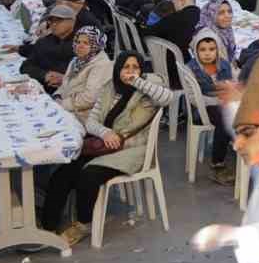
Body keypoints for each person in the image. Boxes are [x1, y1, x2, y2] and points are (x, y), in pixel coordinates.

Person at [42, 49, 174, 246]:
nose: (130, 71)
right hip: (105, 144)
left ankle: (83, 224)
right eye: (125, 67)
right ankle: (47, 227)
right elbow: (91, 122)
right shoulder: (110, 87)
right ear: (117, 69)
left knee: (89, 175)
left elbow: (168, 98)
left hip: (131, 150)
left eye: (135, 67)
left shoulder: (149, 88)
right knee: (63, 173)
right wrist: (105, 133)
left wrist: (137, 82)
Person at [186, 28, 237, 183]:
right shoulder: (191, 68)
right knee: (225, 121)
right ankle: (217, 164)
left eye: (211, 49)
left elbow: (233, 81)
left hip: (224, 102)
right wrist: (217, 101)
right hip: (203, 107)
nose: (207, 53)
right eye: (202, 50)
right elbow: (193, 98)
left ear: (217, 50)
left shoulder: (224, 64)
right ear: (196, 51)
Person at [55, 26, 113, 128]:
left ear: (96, 45)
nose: (80, 46)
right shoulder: (76, 61)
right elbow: (65, 85)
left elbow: (89, 98)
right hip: (67, 108)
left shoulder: (102, 64)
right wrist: (57, 96)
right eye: (78, 42)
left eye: (86, 43)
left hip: (84, 117)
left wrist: (62, 105)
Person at [18, 5, 79, 90]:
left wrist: (65, 79)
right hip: (44, 89)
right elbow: (25, 67)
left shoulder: (82, 44)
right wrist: (45, 75)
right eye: (51, 20)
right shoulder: (43, 42)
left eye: (59, 20)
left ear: (72, 22)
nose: (54, 24)